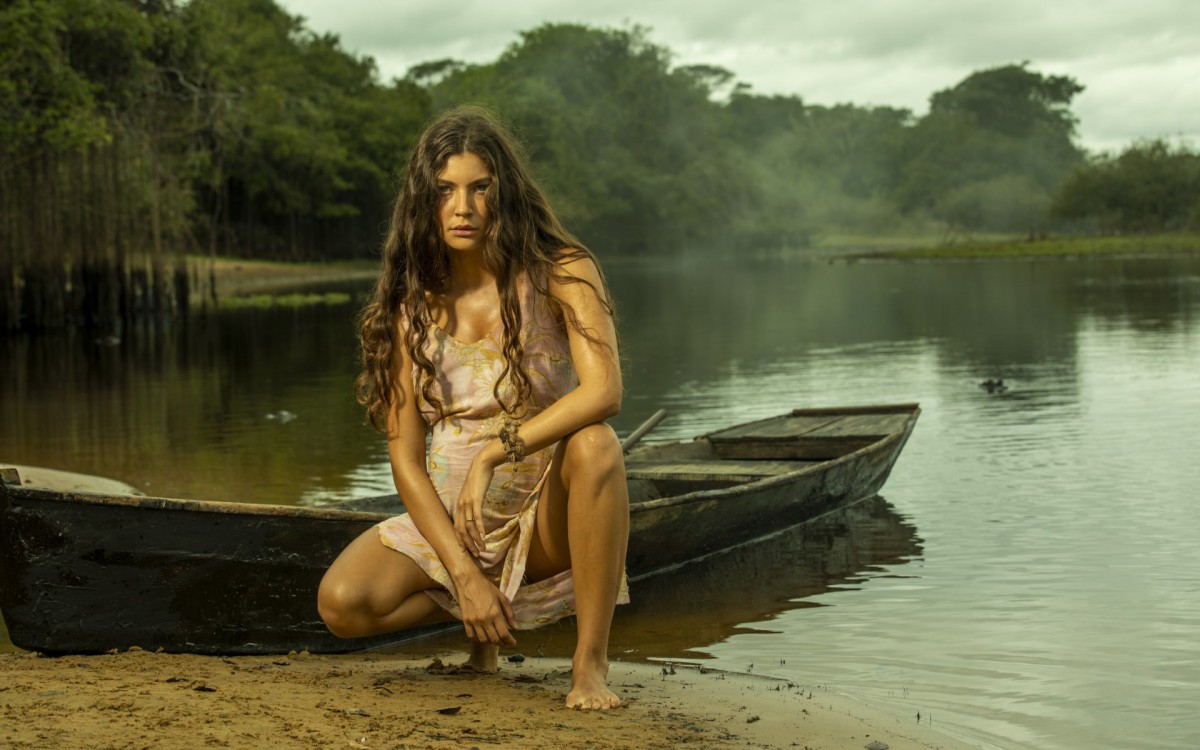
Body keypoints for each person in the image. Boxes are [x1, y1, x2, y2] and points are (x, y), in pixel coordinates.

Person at [317, 105, 630, 710]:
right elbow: (405, 458)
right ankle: (474, 612)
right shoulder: (410, 306)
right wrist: (462, 572)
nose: (462, 208)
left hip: (542, 517)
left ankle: (589, 666)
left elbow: (605, 392)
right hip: (448, 525)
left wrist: (494, 451)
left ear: (503, 193)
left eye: (479, 189)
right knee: (342, 604)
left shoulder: (562, 271)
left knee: (596, 443)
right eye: (444, 192)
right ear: (423, 202)